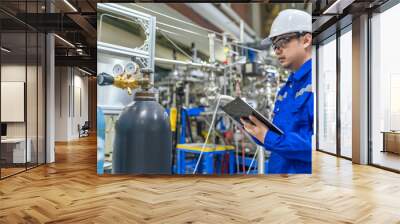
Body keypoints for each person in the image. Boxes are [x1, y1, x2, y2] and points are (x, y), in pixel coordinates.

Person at [240, 9, 313, 174]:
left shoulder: (320, 83)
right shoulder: (286, 89)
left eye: (282, 41)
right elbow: (277, 136)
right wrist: (254, 129)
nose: (277, 50)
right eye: (274, 45)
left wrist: (269, 137)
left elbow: (320, 148)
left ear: (306, 40)